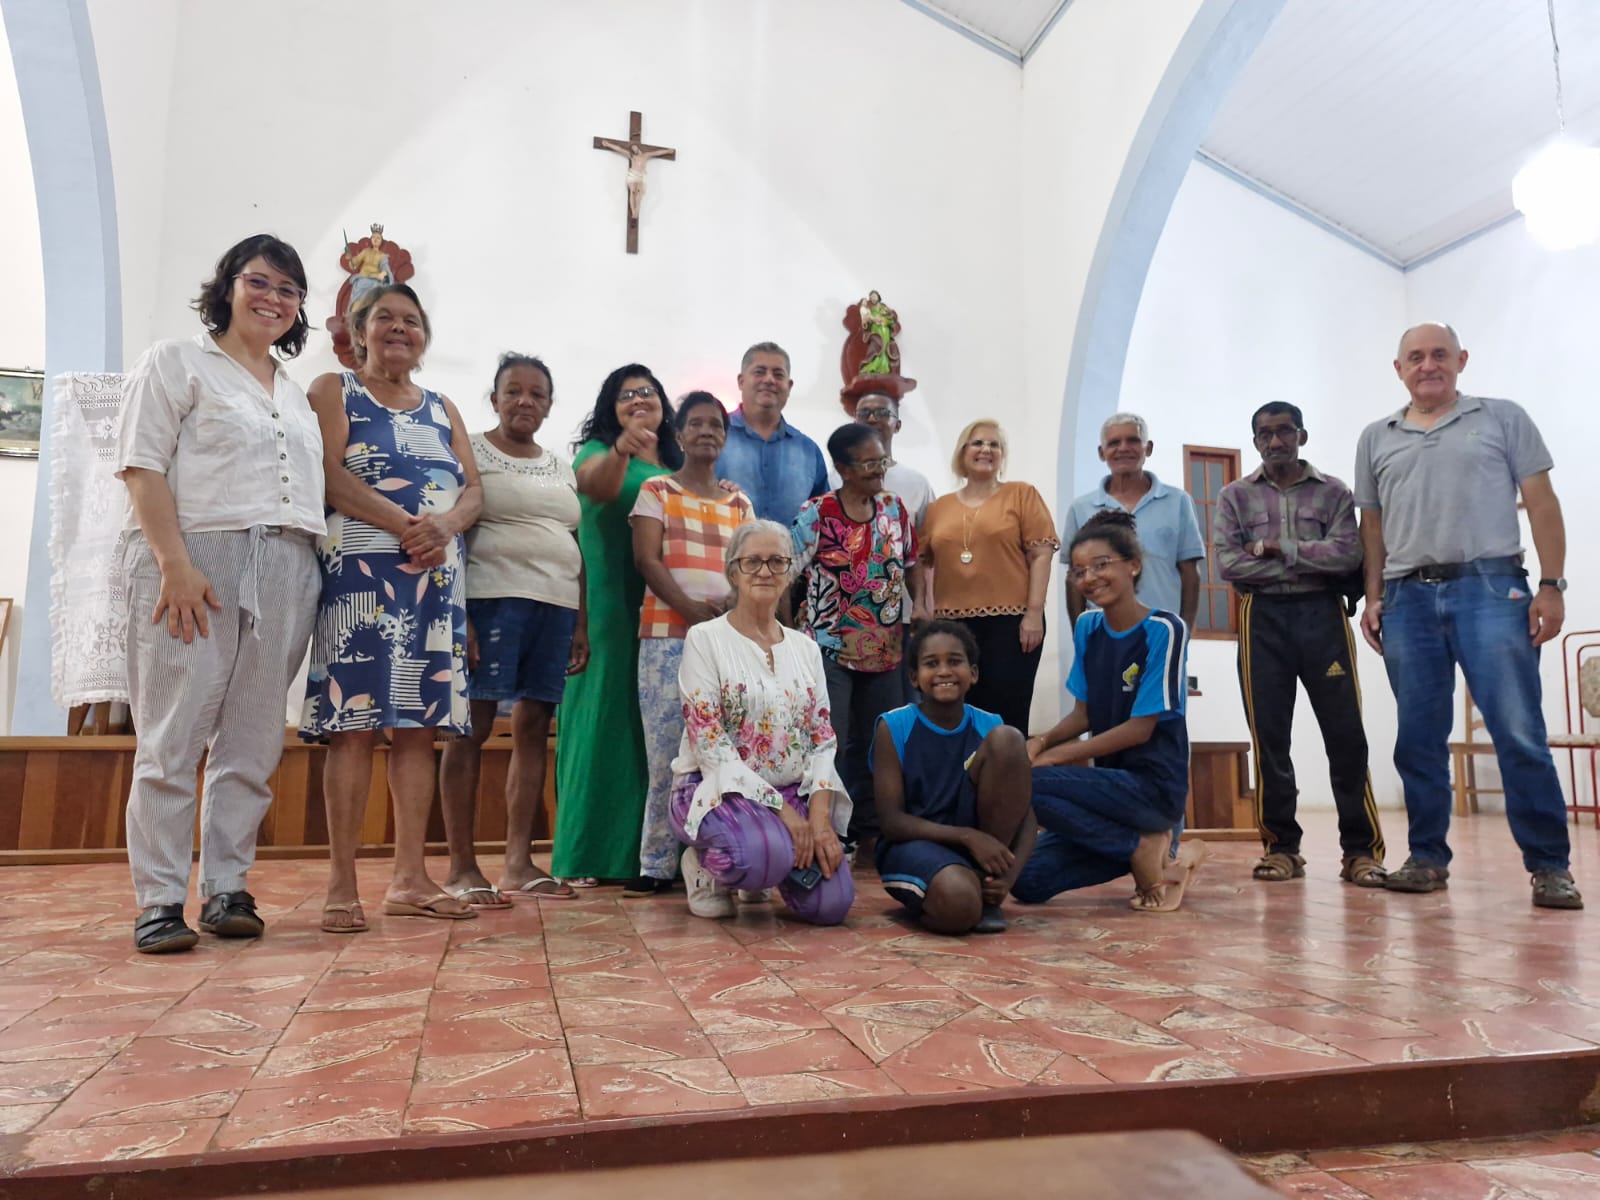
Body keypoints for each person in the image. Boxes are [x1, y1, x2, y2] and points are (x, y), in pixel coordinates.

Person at [115, 234, 324, 953]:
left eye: (288, 291)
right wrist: (173, 562)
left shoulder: (293, 395)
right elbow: (141, 467)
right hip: (198, 559)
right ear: (229, 286)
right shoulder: (176, 361)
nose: (273, 299)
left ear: (300, 310)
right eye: (260, 283)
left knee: (253, 740)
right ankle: (160, 899)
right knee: (174, 734)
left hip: (288, 563)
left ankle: (228, 888)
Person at [1356, 322, 1581, 910]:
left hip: (1492, 587)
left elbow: (1542, 503)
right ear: (1398, 367)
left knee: (1518, 731)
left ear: (1461, 359)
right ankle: (1427, 858)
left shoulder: (1503, 417)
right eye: (1415, 357)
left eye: (1439, 355)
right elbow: (1372, 528)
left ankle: (1550, 867)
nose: (1428, 365)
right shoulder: (1375, 437)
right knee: (1418, 738)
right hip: (1407, 599)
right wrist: (1373, 596)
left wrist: (1551, 586)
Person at [301, 283, 482, 931]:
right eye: (385, 319)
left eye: (411, 321)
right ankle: (341, 885)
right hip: (360, 578)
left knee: (418, 730)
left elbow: (473, 490)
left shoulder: (443, 406)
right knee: (351, 729)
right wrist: (407, 523)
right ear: (357, 330)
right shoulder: (333, 389)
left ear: (425, 337)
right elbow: (324, 471)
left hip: (434, 583)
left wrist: (447, 527)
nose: (398, 329)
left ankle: (410, 878)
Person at [437, 354, 587, 906]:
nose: (526, 401)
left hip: (555, 605)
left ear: (549, 405)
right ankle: (460, 868)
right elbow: (453, 531)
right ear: (494, 397)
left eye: (537, 394)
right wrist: (461, 617)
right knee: (470, 728)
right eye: (514, 391)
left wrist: (581, 623)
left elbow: (572, 543)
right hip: (489, 601)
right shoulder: (469, 450)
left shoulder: (558, 465)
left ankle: (519, 864)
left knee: (533, 730)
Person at [1215, 402, 1386, 887]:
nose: (1275, 442)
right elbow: (1230, 565)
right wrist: (1308, 559)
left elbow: (1347, 553)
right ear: (1255, 442)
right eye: (1264, 434)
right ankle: (1281, 847)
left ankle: (1361, 851)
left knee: (1346, 735)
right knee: (1269, 738)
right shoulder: (1233, 496)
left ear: (1301, 436)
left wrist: (1276, 549)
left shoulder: (1334, 492)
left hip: (1322, 615)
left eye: (1284, 432)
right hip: (1261, 618)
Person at [1012, 511, 1207, 912]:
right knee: (1028, 881)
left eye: (1101, 565)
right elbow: (1083, 715)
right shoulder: (1087, 627)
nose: (1089, 578)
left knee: (1028, 783)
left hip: (1152, 790)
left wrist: (1052, 758)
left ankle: (1152, 840)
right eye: (1079, 571)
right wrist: (1040, 742)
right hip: (1110, 793)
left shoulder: (1165, 629)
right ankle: (1145, 847)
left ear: (1133, 566)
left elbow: (1140, 728)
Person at [671, 520, 854, 924]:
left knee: (832, 905)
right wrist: (787, 816)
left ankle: (769, 861)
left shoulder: (806, 648)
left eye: (776, 562)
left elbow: (823, 740)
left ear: (790, 572)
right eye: (752, 561)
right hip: (717, 790)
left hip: (790, 790)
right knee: (758, 857)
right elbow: (712, 747)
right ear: (732, 571)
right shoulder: (705, 639)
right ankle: (708, 867)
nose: (765, 572)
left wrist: (819, 821)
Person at [553, 365, 683, 886]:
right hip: (607, 606)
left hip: (669, 609)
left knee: (654, 733)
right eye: (626, 394)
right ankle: (586, 854)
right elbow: (598, 490)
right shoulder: (599, 454)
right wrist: (623, 450)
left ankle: (649, 856)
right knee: (603, 723)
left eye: (647, 391)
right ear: (611, 408)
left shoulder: (676, 462)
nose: (638, 399)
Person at [625, 392, 754, 898]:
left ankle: (722, 862)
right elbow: (646, 560)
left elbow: (750, 565)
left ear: (724, 437)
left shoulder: (740, 502)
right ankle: (656, 864)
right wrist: (689, 609)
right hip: (666, 638)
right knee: (665, 753)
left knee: (726, 754)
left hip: (727, 643)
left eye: (716, 425)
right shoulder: (657, 490)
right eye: (695, 424)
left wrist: (728, 614)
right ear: (678, 435)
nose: (706, 431)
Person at [793, 423, 919, 855]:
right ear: (842, 468)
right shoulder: (817, 513)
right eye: (868, 463)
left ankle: (870, 824)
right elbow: (787, 571)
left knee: (879, 740)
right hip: (826, 648)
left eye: (882, 461)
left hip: (886, 646)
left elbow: (912, 563)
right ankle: (831, 829)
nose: (878, 470)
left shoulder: (894, 508)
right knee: (832, 740)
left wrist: (921, 610)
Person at [872, 620, 1037, 934]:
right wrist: (969, 837)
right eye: (931, 664)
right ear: (914, 678)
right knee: (959, 906)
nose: (944, 671)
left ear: (973, 674)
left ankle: (987, 888)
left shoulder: (990, 725)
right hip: (912, 845)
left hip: (979, 850)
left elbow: (1026, 816)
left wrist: (1007, 878)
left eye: (955, 661)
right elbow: (892, 822)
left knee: (1010, 738)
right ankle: (953, 893)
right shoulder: (894, 726)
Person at [918, 419, 1058, 730]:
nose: (986, 449)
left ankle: (1007, 776)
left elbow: (1041, 555)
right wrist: (924, 610)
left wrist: (1034, 613)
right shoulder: (939, 507)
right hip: (951, 624)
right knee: (956, 711)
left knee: (1007, 711)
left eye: (994, 444)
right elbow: (923, 563)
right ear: (962, 452)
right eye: (978, 443)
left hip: (1012, 623)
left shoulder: (1022, 495)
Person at [1062, 413, 1204, 631]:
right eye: (1114, 443)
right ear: (1102, 453)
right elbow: (1074, 578)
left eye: (1133, 440)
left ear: (1148, 448)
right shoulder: (1081, 508)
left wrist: (1183, 631)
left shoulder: (1178, 502)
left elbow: (1190, 573)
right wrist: (1080, 636)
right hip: (1102, 632)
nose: (1123, 448)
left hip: (1162, 630)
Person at [715, 342, 829, 525]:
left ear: (789, 386)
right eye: (759, 372)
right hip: (722, 552)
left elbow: (823, 519)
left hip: (790, 554)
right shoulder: (715, 437)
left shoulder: (808, 451)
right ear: (741, 381)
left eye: (778, 374)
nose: (769, 380)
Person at [830, 375, 935, 529]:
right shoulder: (837, 477)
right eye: (864, 413)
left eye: (882, 413)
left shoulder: (917, 484)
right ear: (855, 422)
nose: (872, 419)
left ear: (897, 425)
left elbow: (926, 541)